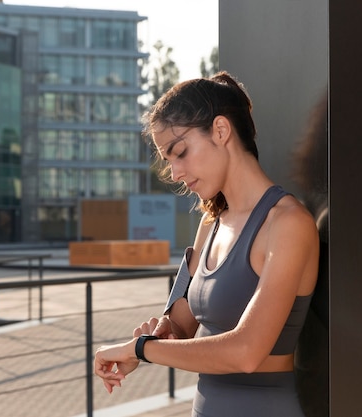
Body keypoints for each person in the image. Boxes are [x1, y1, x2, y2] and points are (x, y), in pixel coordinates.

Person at [94, 71, 320, 417]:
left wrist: (140, 350)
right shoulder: (210, 223)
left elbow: (245, 352)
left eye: (179, 152)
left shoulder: (288, 224)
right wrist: (163, 333)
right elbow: (184, 325)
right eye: (168, 161)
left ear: (220, 131)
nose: (174, 173)